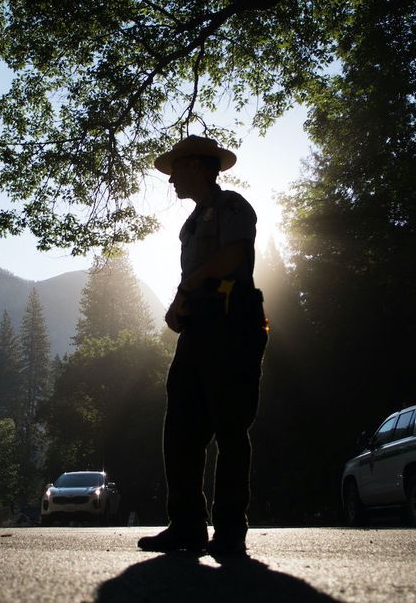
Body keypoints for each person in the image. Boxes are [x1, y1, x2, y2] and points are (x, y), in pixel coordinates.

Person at [137, 136, 268, 557]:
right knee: (181, 429)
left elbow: (233, 257)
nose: (171, 178)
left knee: (230, 426)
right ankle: (188, 525)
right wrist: (179, 304)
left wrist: (189, 286)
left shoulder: (233, 206)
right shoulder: (190, 224)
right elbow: (195, 274)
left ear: (197, 166)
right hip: (199, 331)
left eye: (176, 169)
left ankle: (230, 530)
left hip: (233, 326)